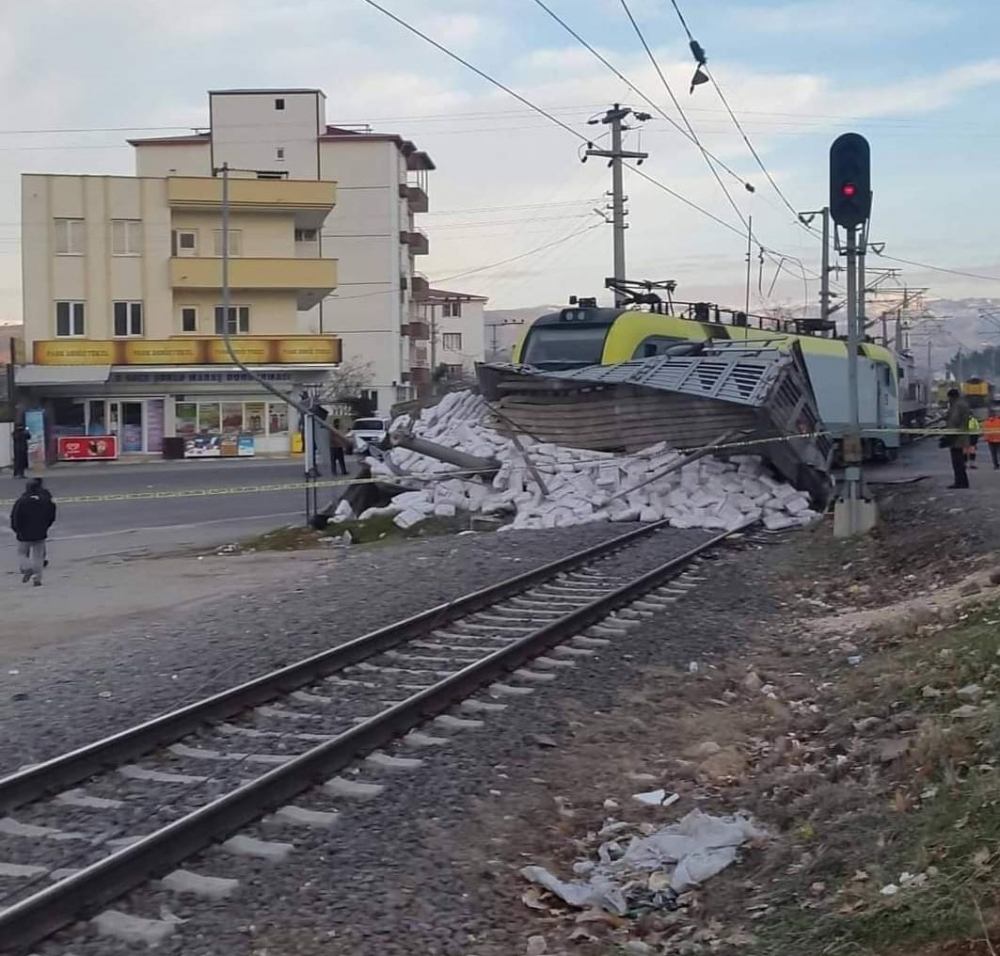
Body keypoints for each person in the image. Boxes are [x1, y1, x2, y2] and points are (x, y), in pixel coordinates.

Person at [10, 477, 56, 586]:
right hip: (40, 531)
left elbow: (15, 517)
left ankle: (28, 567)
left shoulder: (22, 501)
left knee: (22, 553)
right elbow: (51, 515)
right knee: (38, 556)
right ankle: (37, 578)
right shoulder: (45, 500)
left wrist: (16, 529)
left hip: (24, 532)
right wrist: (46, 526)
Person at [944, 388, 972, 489]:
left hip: (956, 437)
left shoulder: (957, 405)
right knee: (960, 461)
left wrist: (948, 435)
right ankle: (963, 482)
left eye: (949, 398)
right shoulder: (962, 403)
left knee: (957, 462)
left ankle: (960, 482)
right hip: (961, 435)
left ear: (952, 397)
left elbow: (954, 420)